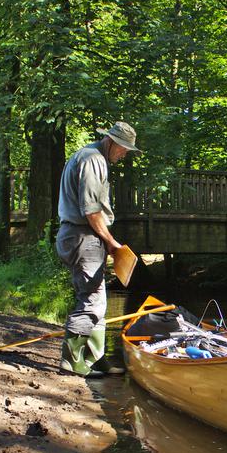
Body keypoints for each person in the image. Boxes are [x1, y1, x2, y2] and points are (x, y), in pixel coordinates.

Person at [56, 121, 140, 377]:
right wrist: (112, 244)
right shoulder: (93, 160)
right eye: (124, 148)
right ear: (111, 142)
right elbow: (91, 211)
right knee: (92, 301)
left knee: (99, 299)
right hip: (84, 237)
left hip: (83, 237)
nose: (125, 154)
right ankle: (72, 361)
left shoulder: (91, 156)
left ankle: (94, 357)